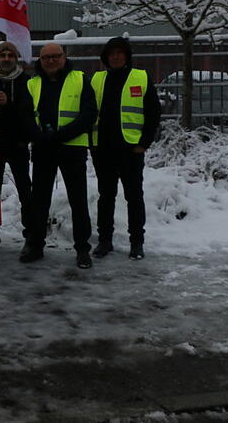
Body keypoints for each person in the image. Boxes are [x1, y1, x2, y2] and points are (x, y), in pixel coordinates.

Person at [19, 43, 98, 269]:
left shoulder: (80, 79)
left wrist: (62, 134)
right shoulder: (31, 83)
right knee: (39, 200)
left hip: (71, 147)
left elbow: (89, 114)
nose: (51, 61)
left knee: (78, 200)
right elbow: (24, 116)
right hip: (43, 147)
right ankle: (35, 245)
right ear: (40, 61)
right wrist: (38, 136)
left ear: (64, 57)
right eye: (46, 58)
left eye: (55, 56)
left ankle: (83, 249)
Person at [90, 37, 161, 260]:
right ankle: (104, 241)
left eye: (120, 53)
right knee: (106, 196)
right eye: (112, 53)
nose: (116, 57)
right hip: (103, 149)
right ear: (106, 57)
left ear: (127, 56)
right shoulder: (97, 79)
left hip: (131, 149)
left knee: (134, 197)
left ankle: (137, 242)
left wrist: (144, 143)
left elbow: (153, 113)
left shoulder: (140, 77)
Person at [0, 41, 34, 247]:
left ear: (16, 58)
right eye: (2, 55)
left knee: (25, 191)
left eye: (10, 55)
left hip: (18, 144)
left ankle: (31, 232)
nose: (6, 59)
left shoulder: (26, 81)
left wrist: (9, 105)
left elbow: (29, 111)